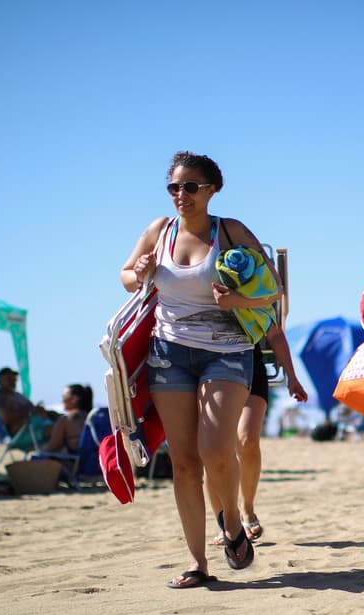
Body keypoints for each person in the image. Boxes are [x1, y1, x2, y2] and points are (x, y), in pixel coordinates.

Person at [121, 150, 283, 588]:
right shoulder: (160, 231)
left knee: (215, 450)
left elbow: (273, 290)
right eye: (174, 187)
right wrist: (139, 272)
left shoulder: (230, 231)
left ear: (213, 190)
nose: (181, 195)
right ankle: (198, 563)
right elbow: (126, 275)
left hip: (227, 351)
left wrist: (236, 302)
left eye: (191, 187)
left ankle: (230, 524)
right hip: (168, 352)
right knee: (185, 463)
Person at [208, 332, 309, 545]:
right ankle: (225, 521)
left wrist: (292, 376)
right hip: (208, 364)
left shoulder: (248, 297)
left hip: (248, 363)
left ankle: (247, 509)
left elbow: (275, 331)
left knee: (247, 439)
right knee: (213, 450)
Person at [0, 367, 42, 438]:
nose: (13, 381)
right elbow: (5, 419)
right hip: (24, 432)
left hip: (35, 425)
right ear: (0, 381)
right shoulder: (1, 399)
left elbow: (33, 408)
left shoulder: (18, 395)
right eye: (9, 379)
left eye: (14, 379)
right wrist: (29, 414)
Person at [42, 384, 93, 454]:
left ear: (75, 399)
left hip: (76, 461)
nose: (62, 400)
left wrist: (39, 452)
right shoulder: (91, 417)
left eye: (64, 396)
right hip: (93, 460)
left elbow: (52, 446)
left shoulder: (65, 419)